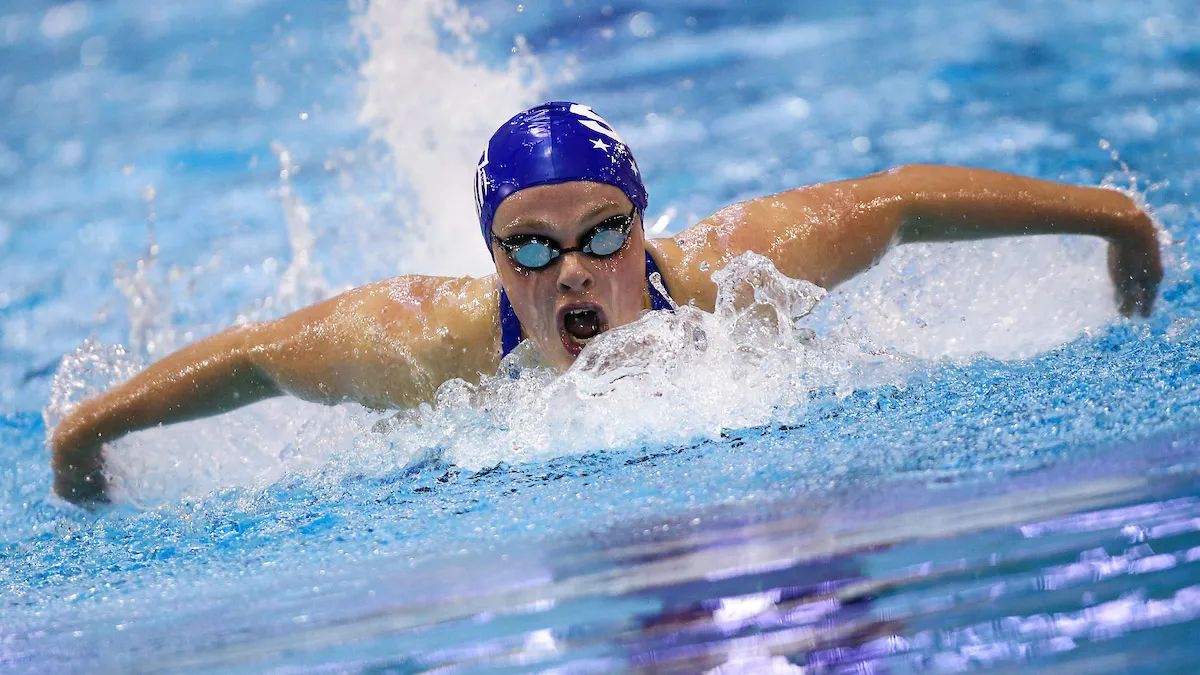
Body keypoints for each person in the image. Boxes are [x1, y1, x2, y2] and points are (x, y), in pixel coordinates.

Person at [50, 101, 1163, 504]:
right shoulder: (421, 343)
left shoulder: (737, 272)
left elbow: (906, 201)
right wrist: (86, 437)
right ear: (492, 258)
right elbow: (252, 355)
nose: (573, 272)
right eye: (530, 249)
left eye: (602, 235)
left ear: (642, 224)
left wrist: (1113, 218)